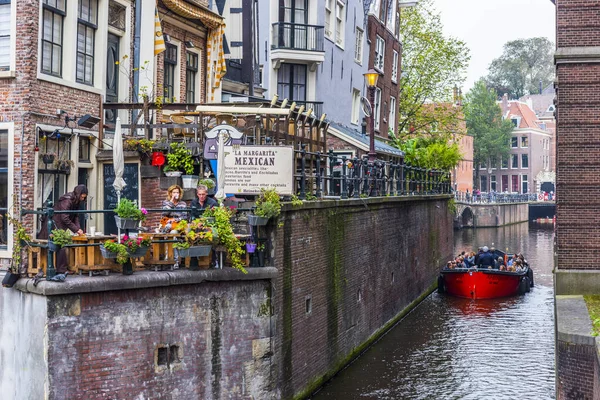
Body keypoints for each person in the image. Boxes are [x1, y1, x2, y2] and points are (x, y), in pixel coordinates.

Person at [38, 185, 88, 274]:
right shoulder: (67, 201)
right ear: (78, 194)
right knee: (59, 245)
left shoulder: (75, 201)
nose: (82, 199)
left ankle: (61, 269)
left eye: (84, 197)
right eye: (82, 196)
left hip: (59, 226)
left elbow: (75, 216)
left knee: (60, 245)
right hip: (54, 225)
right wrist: (76, 229)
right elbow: (64, 217)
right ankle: (58, 269)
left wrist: (78, 229)